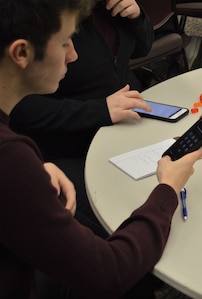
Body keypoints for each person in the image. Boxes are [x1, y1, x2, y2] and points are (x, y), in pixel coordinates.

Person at [0, 0, 202, 298]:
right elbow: (110, 271)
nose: (73, 55)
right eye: (65, 43)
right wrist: (168, 191)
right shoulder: (11, 158)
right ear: (21, 53)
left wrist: (34, 169)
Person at [9, 0, 154, 238]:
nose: (72, 54)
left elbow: (142, 47)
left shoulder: (106, 7)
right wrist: (100, 110)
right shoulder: (40, 16)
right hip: (71, 145)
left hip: (122, 124)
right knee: (134, 213)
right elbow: (20, 107)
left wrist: (137, 17)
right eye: (67, 43)